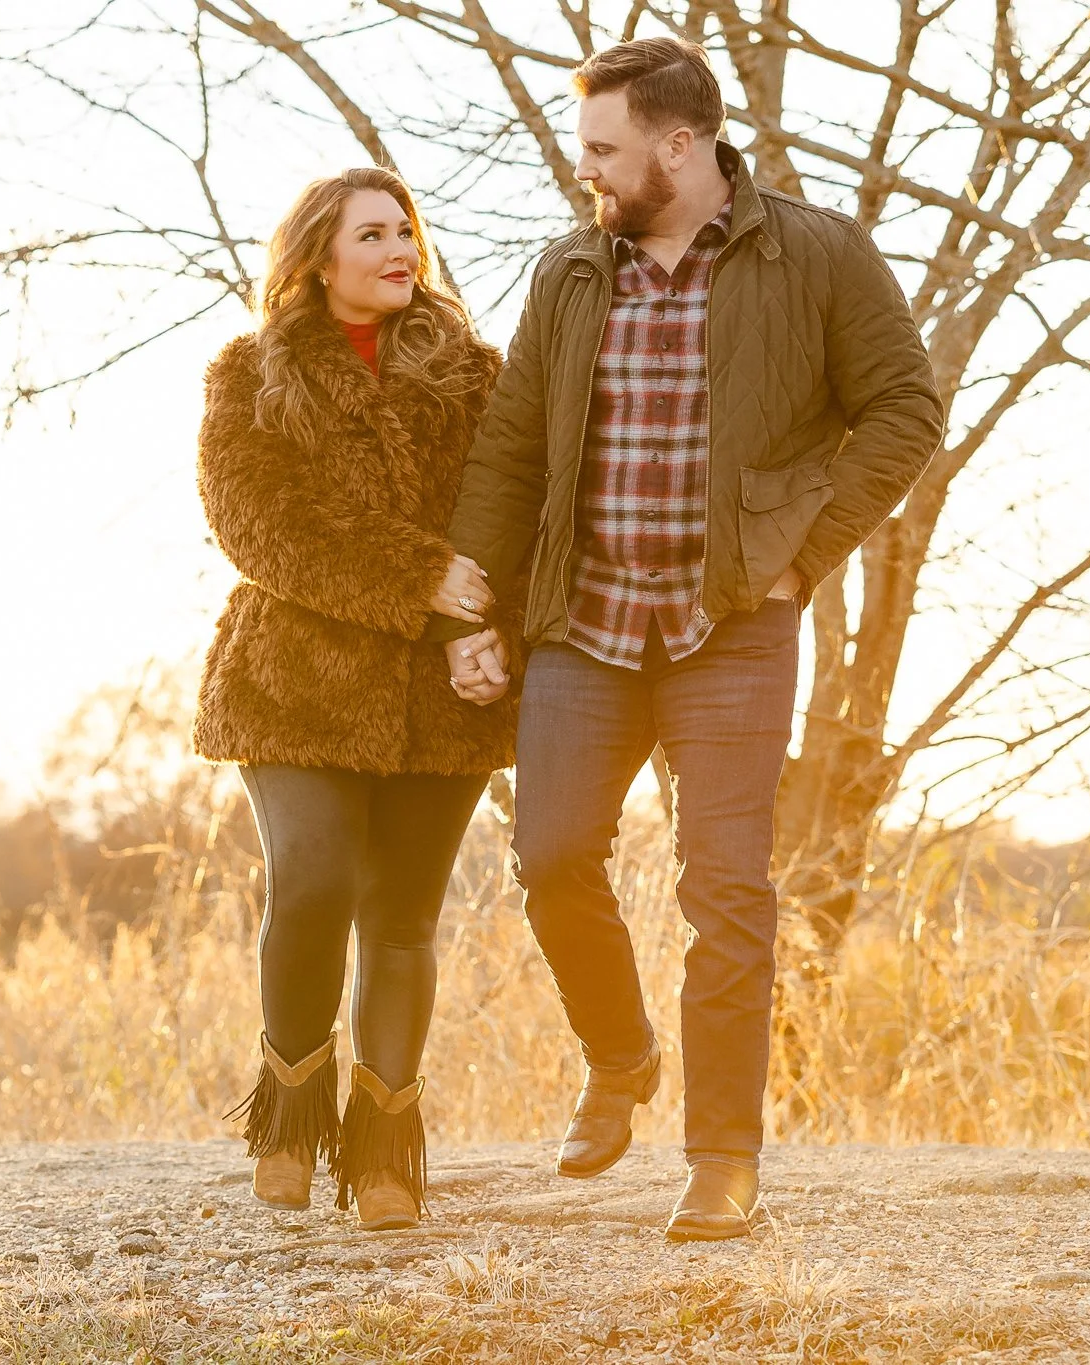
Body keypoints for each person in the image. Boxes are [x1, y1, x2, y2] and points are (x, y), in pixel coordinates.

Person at [433, 37, 943, 1240]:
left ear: (680, 144)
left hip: (731, 631)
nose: (587, 173)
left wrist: (800, 557)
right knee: (550, 857)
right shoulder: (567, 270)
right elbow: (512, 448)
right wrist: (467, 605)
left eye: (604, 150)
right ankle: (617, 1060)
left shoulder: (816, 253)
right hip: (583, 625)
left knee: (725, 891)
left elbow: (903, 408)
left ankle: (720, 1161)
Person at [192, 167, 515, 1229]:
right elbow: (258, 523)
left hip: (443, 697)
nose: (397, 251)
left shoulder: (476, 377)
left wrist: (484, 627)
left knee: (404, 919)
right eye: (370, 235)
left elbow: (510, 514)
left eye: (405, 233)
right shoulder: (249, 374)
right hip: (292, 683)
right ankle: (289, 1116)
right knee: (316, 876)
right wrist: (416, 582)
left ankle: (382, 1153)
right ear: (315, 259)